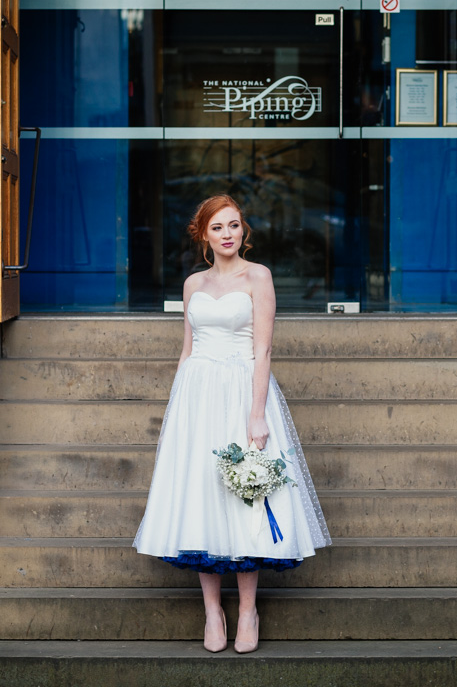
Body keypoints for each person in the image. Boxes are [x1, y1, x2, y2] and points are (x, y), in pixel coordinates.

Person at [133, 194, 331, 654]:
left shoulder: (257, 277)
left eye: (234, 225)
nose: (227, 234)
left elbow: (262, 349)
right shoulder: (192, 284)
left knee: (246, 496)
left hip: (243, 389)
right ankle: (212, 614)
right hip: (197, 396)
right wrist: (178, 407)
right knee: (202, 497)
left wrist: (257, 413)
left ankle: (247, 610)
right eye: (218, 227)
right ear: (203, 234)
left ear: (244, 232)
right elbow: (188, 347)